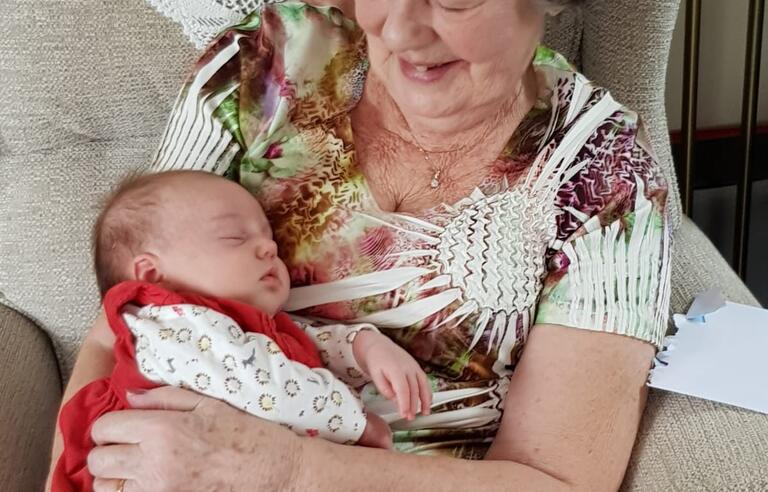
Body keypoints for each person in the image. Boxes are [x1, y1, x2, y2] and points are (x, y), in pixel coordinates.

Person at [48, 1, 672, 490]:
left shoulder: (608, 181)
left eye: (452, 1)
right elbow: (124, 318)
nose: (398, 30)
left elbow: (560, 479)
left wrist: (290, 474)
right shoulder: (266, 61)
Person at [51, 170, 430, 490]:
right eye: (235, 237)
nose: (267, 246)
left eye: (269, 237)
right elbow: (263, 385)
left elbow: (304, 347)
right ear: (152, 274)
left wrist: (365, 347)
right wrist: (360, 425)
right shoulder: (169, 325)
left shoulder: (246, 328)